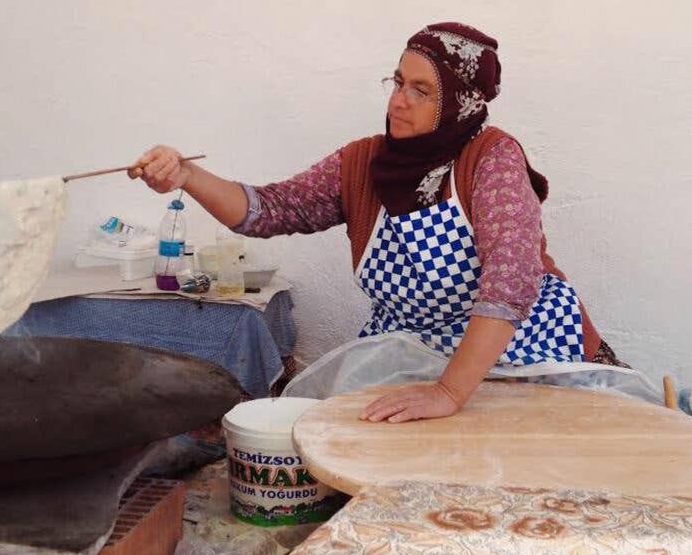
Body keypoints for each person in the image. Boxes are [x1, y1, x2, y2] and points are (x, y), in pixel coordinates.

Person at [130, 22, 656, 423]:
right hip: (413, 350)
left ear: (460, 101)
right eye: (397, 82)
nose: (397, 101)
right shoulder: (363, 163)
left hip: (524, 348)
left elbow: (512, 280)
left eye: (421, 91)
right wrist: (188, 177)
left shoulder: (490, 159)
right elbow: (269, 209)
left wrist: (450, 393)